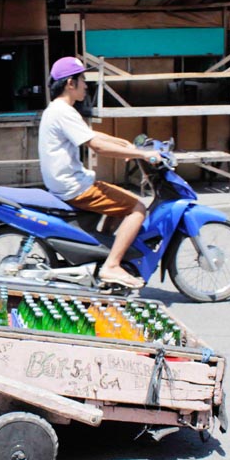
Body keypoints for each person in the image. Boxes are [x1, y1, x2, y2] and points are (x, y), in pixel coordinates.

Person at [39, 56, 158, 289]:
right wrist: (143, 155)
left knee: (119, 198)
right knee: (137, 208)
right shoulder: (63, 111)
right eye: (82, 79)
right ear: (69, 83)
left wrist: (124, 144)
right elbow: (97, 146)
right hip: (75, 187)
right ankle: (112, 265)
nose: (86, 84)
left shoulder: (58, 110)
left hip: (67, 184)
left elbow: (91, 136)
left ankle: (102, 255)